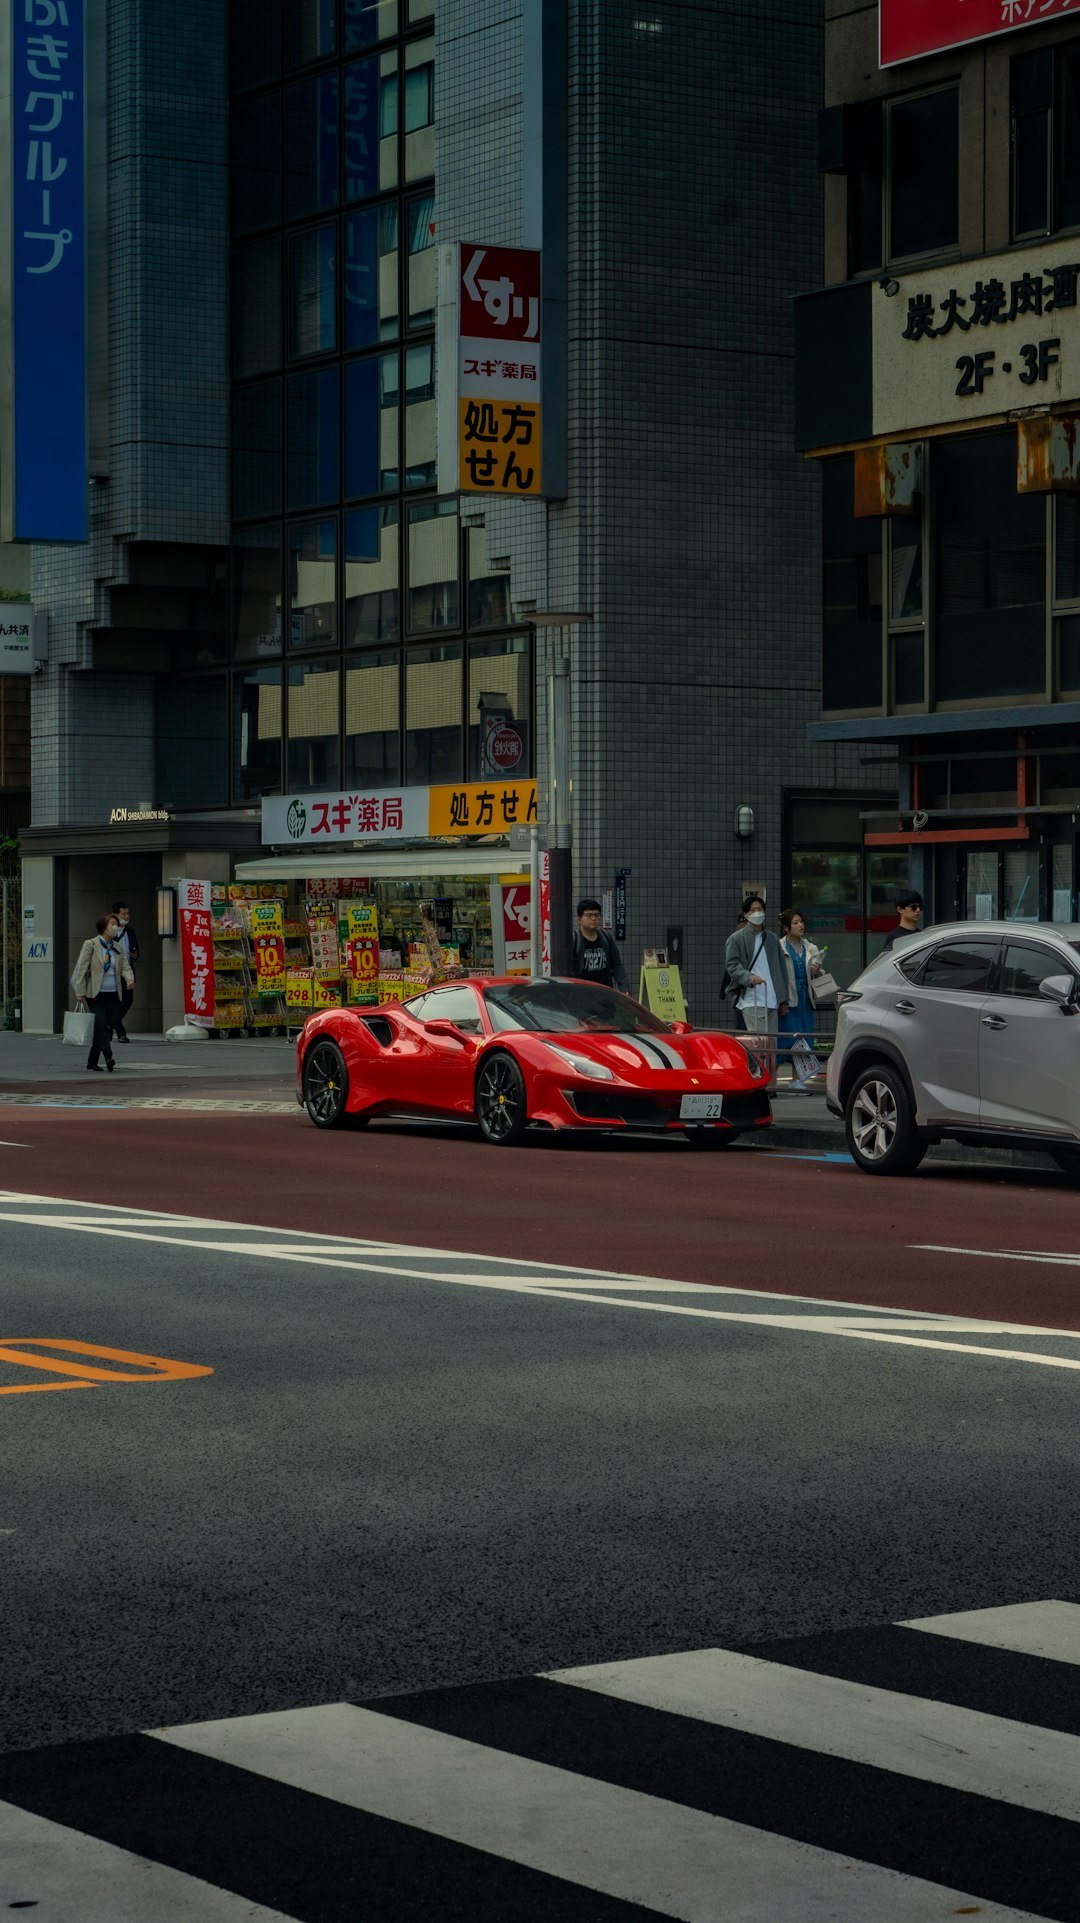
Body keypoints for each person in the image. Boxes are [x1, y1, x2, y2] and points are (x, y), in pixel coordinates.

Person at [724, 897, 793, 1082]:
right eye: (753, 910)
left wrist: (783, 999)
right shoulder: (736, 939)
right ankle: (761, 1082)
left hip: (771, 998)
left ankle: (769, 1083)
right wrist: (748, 978)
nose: (758, 913)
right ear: (746, 914)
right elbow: (732, 965)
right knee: (758, 1044)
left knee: (771, 1044)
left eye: (760, 909)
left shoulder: (771, 939)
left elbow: (780, 969)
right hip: (751, 997)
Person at [71, 913, 135, 1073]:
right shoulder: (90, 944)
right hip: (95, 994)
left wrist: (129, 978)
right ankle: (109, 1056)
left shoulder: (117, 946)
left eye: (117, 924)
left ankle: (92, 1062)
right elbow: (81, 969)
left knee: (106, 1028)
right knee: (100, 1024)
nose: (116, 927)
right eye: (113, 924)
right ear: (104, 927)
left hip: (113, 993)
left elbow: (125, 966)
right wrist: (80, 991)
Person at [777, 908, 825, 1091]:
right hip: (789, 998)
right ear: (786, 927)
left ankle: (797, 1081)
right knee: (785, 1040)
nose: (800, 925)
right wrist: (781, 1000)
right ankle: (770, 1079)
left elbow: (818, 974)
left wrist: (817, 971)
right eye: (795, 922)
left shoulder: (810, 947)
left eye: (801, 921)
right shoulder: (780, 947)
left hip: (805, 998)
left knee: (803, 1040)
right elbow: (778, 975)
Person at [572, 899, 629, 990]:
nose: (593, 918)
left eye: (596, 915)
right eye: (589, 915)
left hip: (604, 992)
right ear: (579, 919)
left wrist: (624, 988)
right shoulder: (574, 939)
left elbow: (617, 965)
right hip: (581, 993)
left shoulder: (606, 937)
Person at [110, 899, 139, 1041]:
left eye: (128, 914)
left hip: (128, 970)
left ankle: (111, 1024)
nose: (127, 916)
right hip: (112, 971)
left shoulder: (130, 931)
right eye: (124, 914)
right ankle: (120, 1031)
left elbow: (136, 950)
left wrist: (135, 954)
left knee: (128, 999)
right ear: (115, 915)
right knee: (116, 1000)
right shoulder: (109, 931)